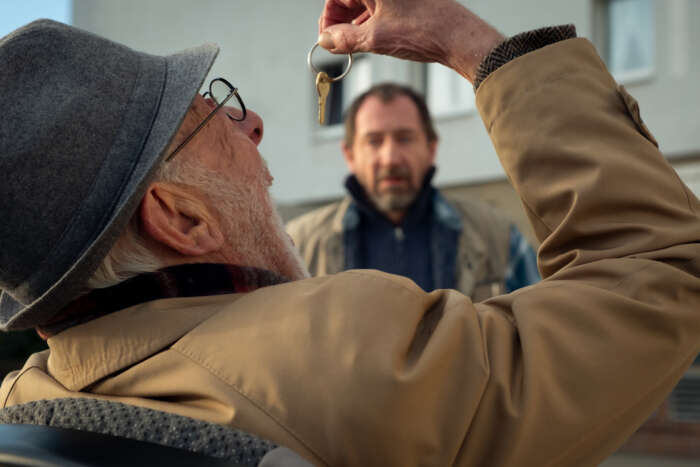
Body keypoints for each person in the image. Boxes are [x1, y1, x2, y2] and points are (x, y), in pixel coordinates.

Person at [1, 1, 700, 465]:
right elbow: (657, 271)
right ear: (182, 218)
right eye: (212, 110)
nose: (253, 124)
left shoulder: (26, 400)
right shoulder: (340, 348)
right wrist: (470, 44)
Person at [287, 82, 539, 300]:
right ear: (349, 155)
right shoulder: (298, 247)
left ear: (431, 148)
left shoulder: (500, 239)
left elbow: (536, 337)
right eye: (374, 141)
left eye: (405, 138)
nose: (390, 158)